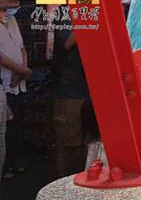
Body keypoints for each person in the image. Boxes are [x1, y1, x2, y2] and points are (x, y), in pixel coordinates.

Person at [52, 22, 90, 177]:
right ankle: (62, 182)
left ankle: (84, 177)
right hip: (69, 89)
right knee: (67, 141)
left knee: (89, 141)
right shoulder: (63, 14)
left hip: (93, 88)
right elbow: (67, 42)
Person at [0, 0, 29, 180]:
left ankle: (13, 163)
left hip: (18, 84)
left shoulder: (12, 21)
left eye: (17, 1)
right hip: (4, 83)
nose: (15, 6)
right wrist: (20, 70)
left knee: (16, 126)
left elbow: (21, 47)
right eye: (11, 2)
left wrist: (23, 70)